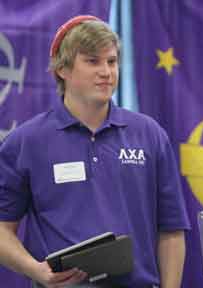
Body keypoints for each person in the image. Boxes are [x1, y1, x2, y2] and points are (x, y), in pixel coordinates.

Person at [0, 15, 190, 288]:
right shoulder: (25, 142)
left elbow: (171, 230)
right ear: (62, 69)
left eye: (111, 61)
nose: (106, 71)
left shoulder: (150, 135)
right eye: (92, 61)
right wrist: (37, 270)